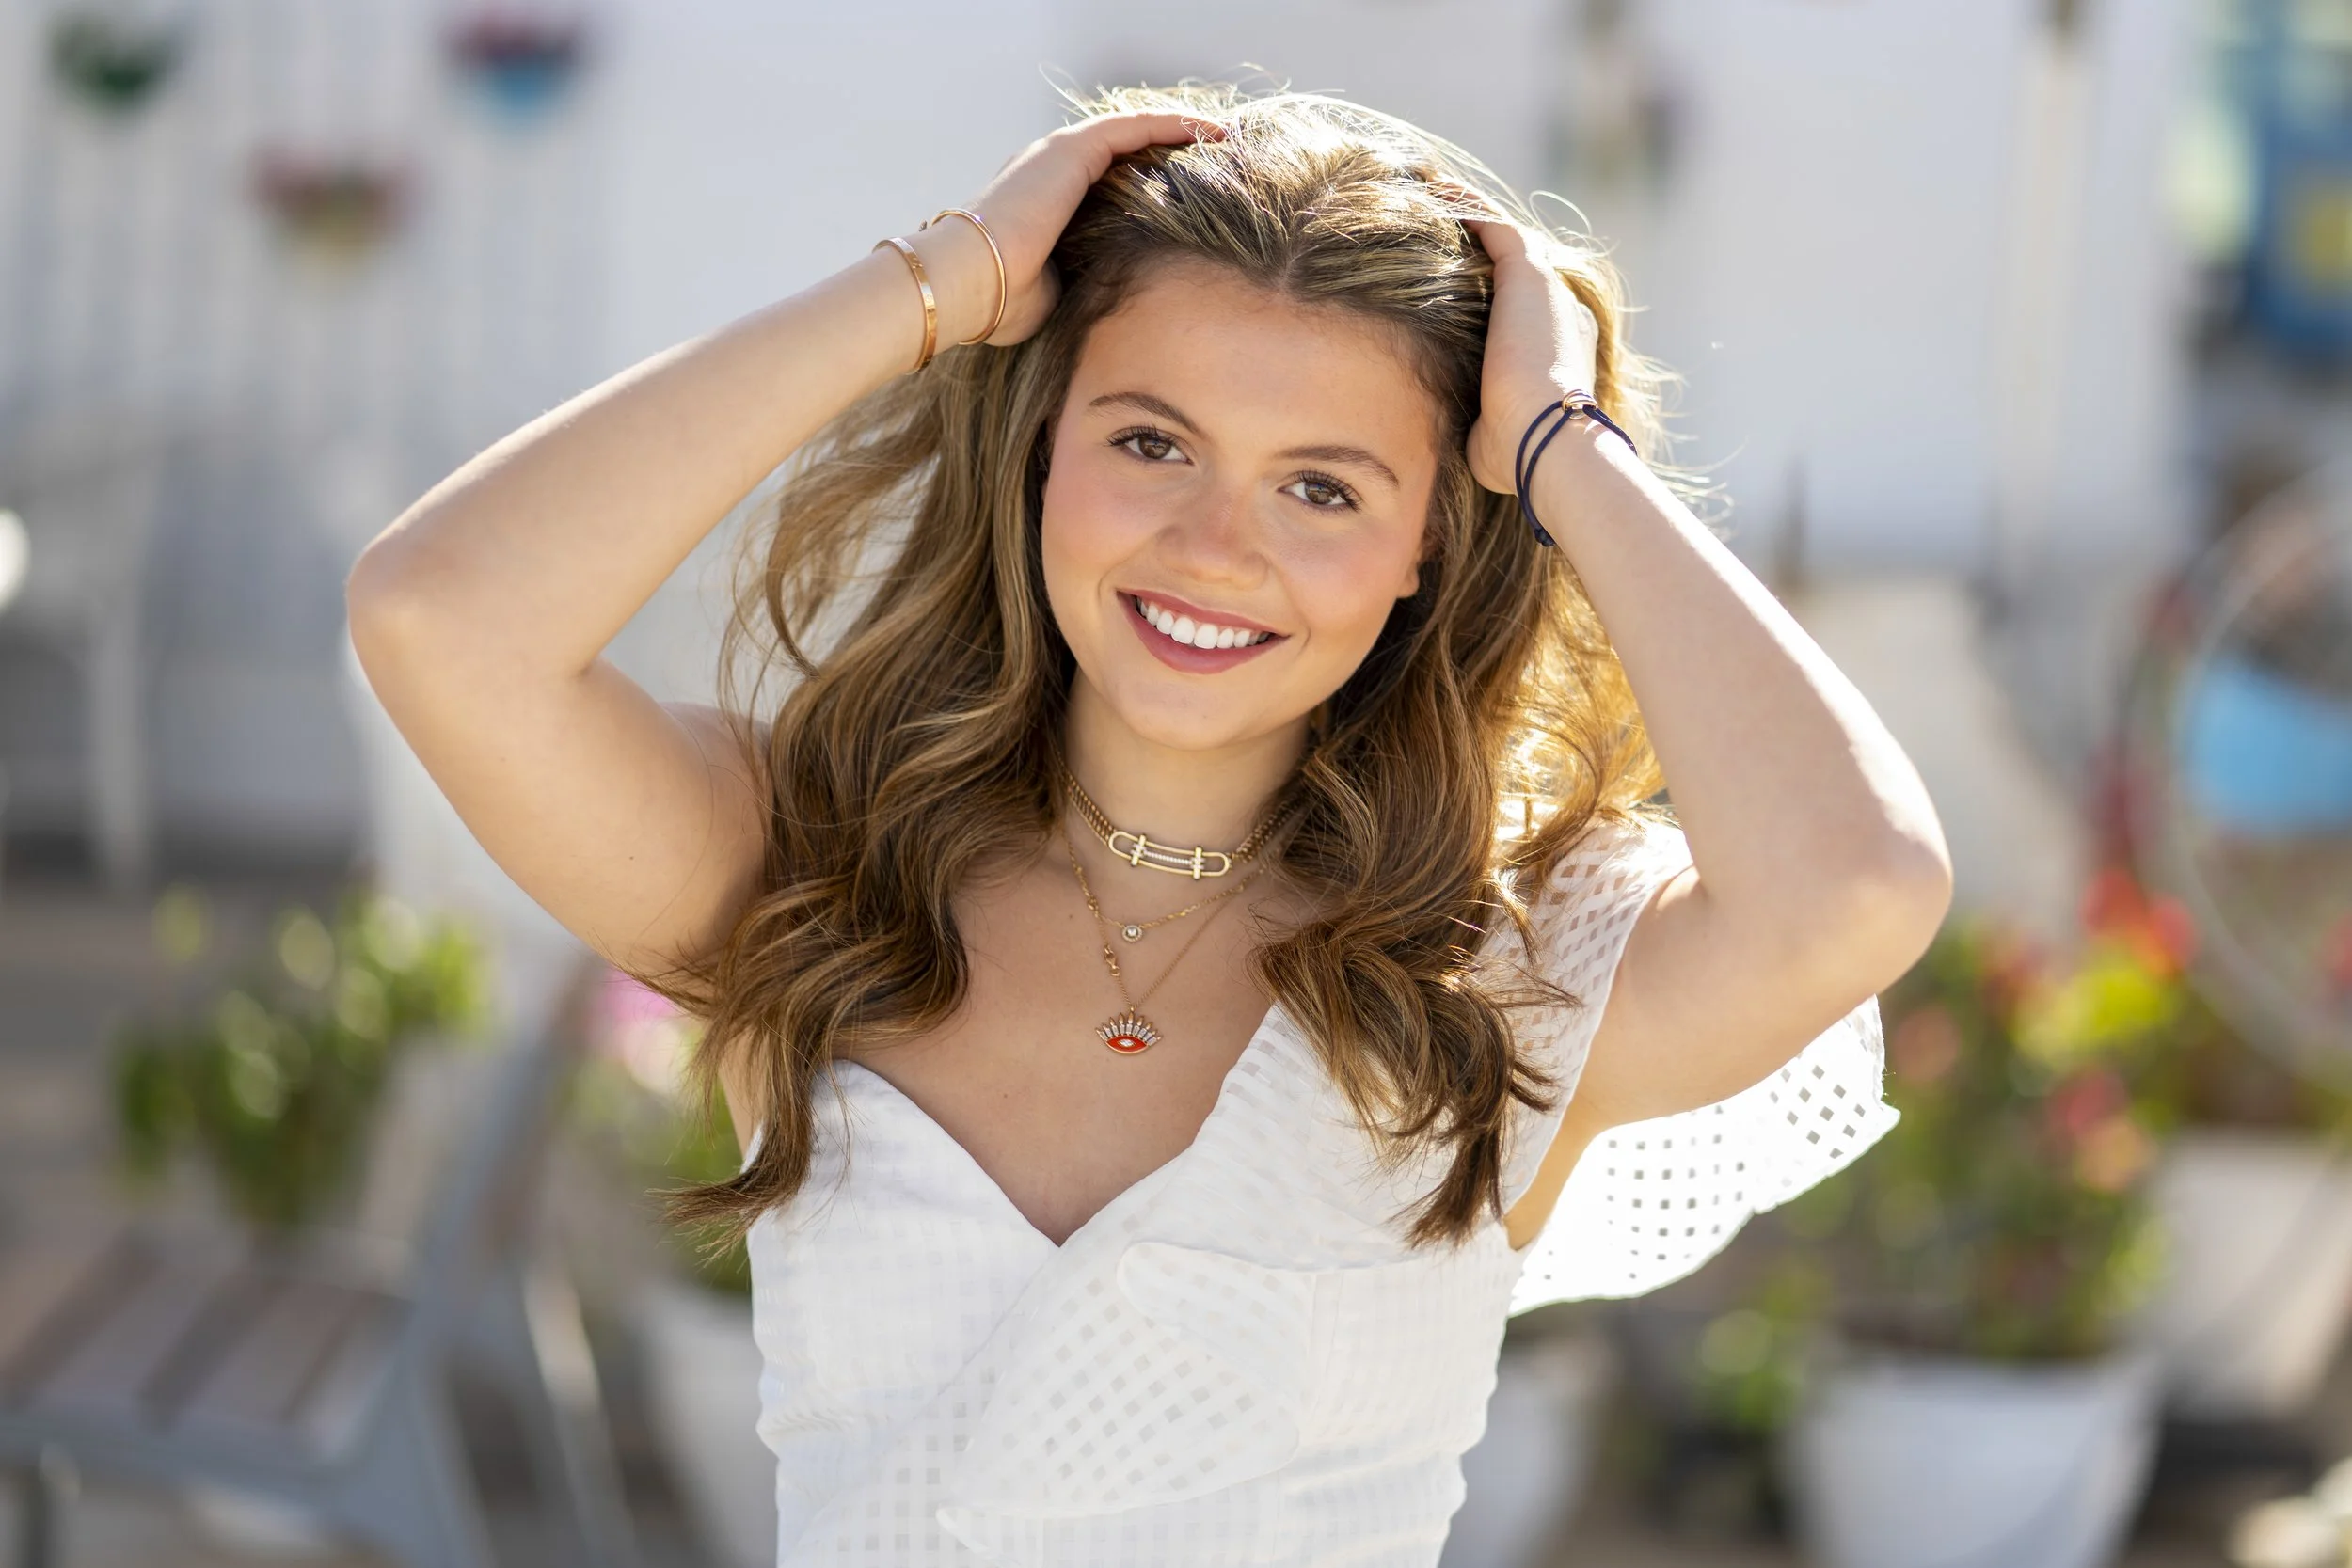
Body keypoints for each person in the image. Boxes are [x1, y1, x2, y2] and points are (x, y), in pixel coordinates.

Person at [347, 81, 1951, 1568]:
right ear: (1044, 445)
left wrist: (1555, 443)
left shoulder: (1499, 974)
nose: (1213, 546)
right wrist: (943, 281)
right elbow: (439, 619)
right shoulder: (820, 866)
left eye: (1322, 487)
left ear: (1424, 546)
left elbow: (1862, 886)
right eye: (1150, 441)